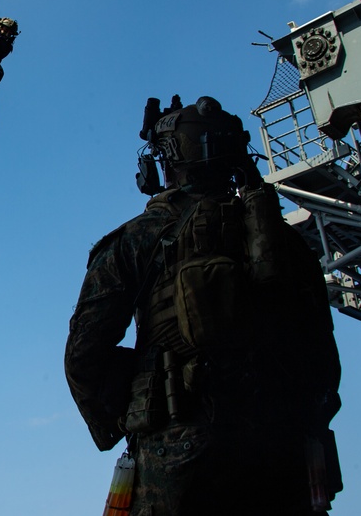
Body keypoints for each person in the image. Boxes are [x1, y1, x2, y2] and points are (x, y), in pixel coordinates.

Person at [65, 95, 342, 515]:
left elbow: (84, 354)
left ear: (171, 161)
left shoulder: (138, 239)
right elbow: (322, 357)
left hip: (178, 455)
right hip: (280, 450)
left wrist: (140, 402)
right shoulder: (286, 246)